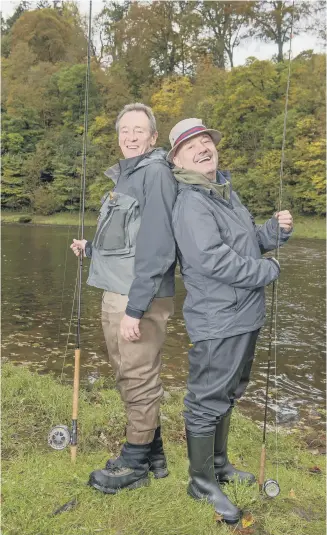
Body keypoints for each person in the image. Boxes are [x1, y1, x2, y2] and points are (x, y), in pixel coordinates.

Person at [168, 118, 293, 524]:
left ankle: (219, 465)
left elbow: (244, 244)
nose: (204, 147)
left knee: (230, 392)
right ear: (177, 159)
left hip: (244, 315)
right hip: (217, 320)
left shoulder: (223, 191)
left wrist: (272, 233)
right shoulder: (191, 202)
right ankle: (200, 482)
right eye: (192, 145)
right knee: (206, 400)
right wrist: (266, 272)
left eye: (207, 140)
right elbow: (211, 259)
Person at [71, 103, 177, 494]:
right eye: (124, 130)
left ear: (153, 137)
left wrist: (135, 308)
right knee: (130, 376)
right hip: (118, 291)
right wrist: (92, 248)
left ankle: (133, 464)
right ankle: (154, 454)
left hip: (138, 297)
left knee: (138, 376)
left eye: (138, 130)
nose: (130, 137)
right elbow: (127, 238)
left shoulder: (155, 174)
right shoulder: (127, 176)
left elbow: (159, 245)